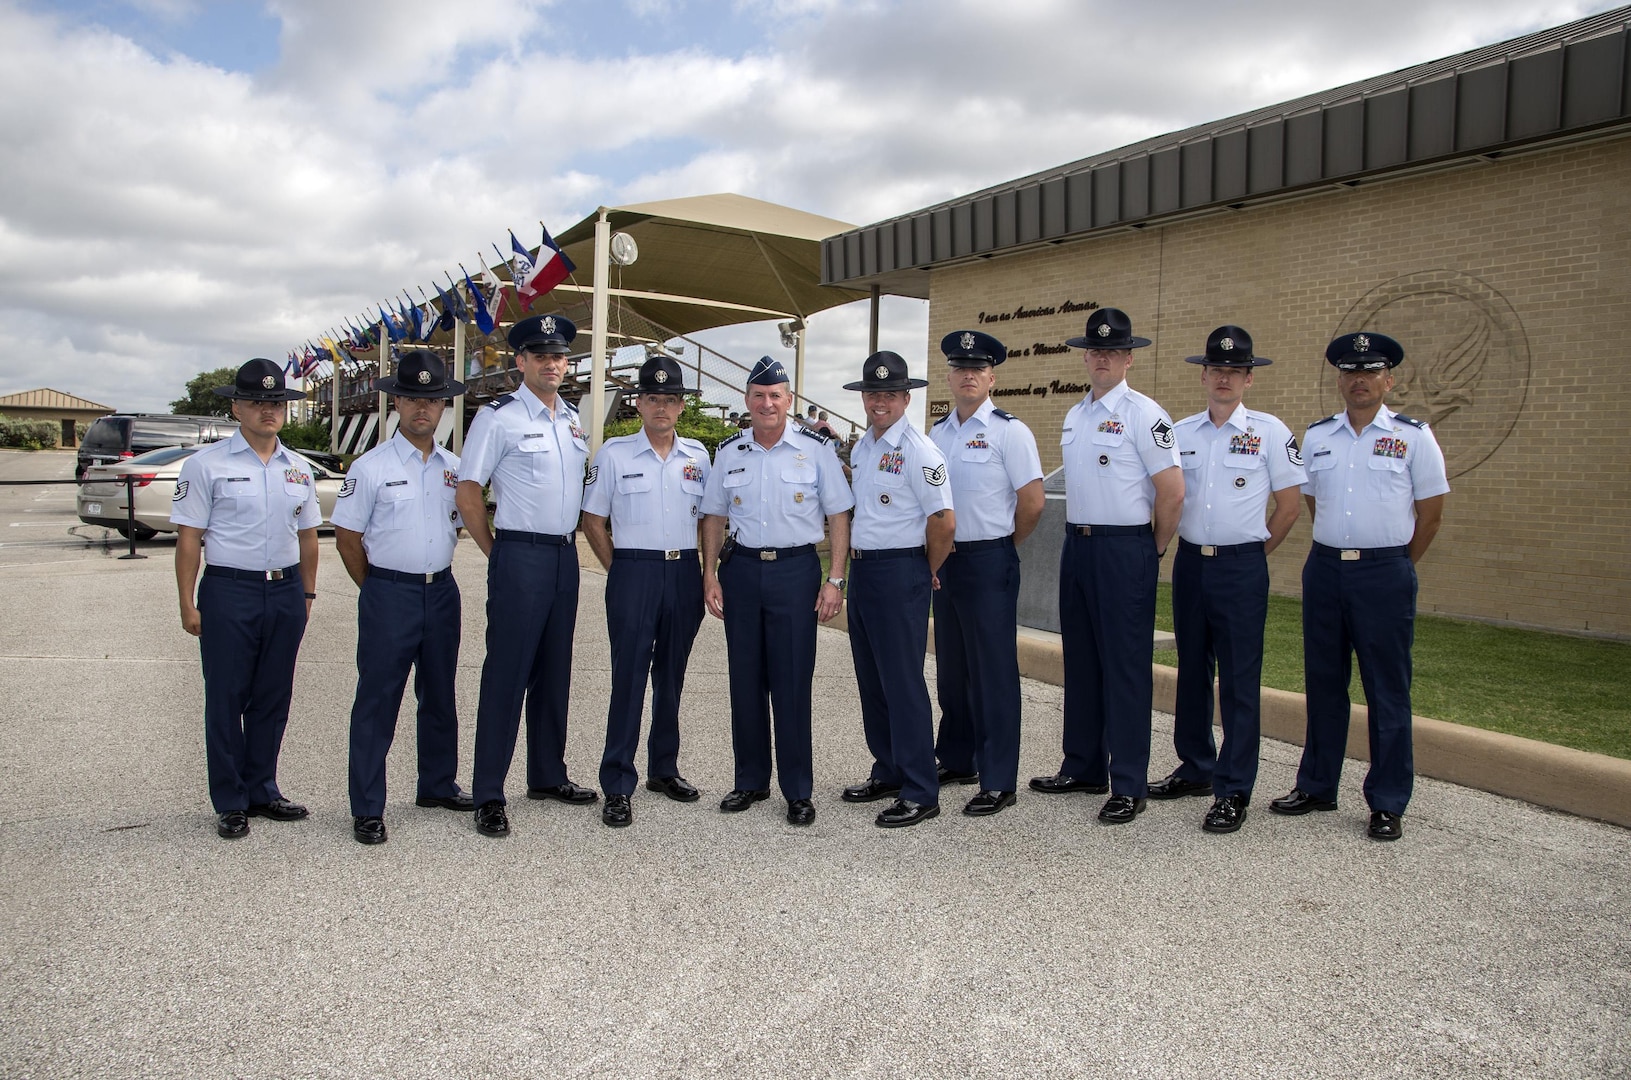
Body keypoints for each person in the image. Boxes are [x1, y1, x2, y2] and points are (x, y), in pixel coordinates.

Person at [1270, 331, 1448, 842]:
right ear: (1340, 379)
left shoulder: (1414, 437)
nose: (1359, 381)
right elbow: (1313, 504)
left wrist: (1393, 563)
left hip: (1384, 573)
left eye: (1370, 372)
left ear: (1388, 380)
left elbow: (1431, 515)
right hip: (1326, 569)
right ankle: (1317, 785)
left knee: (1386, 689)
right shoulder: (1319, 436)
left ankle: (1387, 801)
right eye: (1350, 372)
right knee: (1323, 683)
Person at [1032, 307, 1183, 824]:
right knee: (1083, 660)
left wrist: (1151, 549)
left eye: (1111, 351)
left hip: (1126, 549)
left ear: (1127, 358)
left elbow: (1172, 493)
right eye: (1094, 351)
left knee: (1124, 668)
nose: (1101, 359)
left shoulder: (1146, 415)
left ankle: (1129, 782)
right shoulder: (1076, 415)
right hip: (1079, 547)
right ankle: (1083, 765)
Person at [1154, 327, 1304, 834]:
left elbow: (1288, 507)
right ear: (1203, 375)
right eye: (1216, 370)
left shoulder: (1271, 432)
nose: (1224, 378)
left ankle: (1234, 788)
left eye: (1234, 371)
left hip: (1241, 566)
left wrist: (1254, 553)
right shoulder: (1181, 431)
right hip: (1192, 562)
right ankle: (1196, 766)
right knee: (1192, 671)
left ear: (1248, 378)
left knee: (1239, 679)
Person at [456, 313, 595, 838]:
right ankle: (489, 792)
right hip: (519, 554)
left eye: (559, 356)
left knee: (555, 670)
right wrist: (496, 552)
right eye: (541, 356)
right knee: (507, 673)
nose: (553, 364)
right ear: (521, 362)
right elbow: (469, 491)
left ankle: (546, 774)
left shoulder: (572, 418)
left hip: (563, 556)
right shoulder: (498, 417)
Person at [170, 358, 319, 840]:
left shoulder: (298, 468)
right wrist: (188, 602)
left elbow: (309, 536)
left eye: (276, 402)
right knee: (227, 696)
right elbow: (189, 538)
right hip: (229, 589)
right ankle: (231, 800)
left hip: (284, 590)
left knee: (273, 696)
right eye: (257, 401)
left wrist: (307, 594)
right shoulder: (206, 465)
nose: (268, 410)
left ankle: (262, 789)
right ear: (236, 406)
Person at [700, 356, 853, 826]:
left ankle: (798, 789)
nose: (768, 403)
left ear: (789, 401)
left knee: (790, 683)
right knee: (744, 680)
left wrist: (835, 580)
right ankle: (750, 780)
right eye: (759, 396)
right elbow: (713, 517)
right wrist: (709, 574)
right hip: (742, 572)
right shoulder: (728, 452)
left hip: (795, 572)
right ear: (747, 401)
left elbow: (839, 516)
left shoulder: (817, 450)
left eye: (776, 396)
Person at [330, 350, 471, 846]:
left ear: (444, 408)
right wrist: (376, 588)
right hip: (389, 592)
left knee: (439, 695)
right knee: (377, 700)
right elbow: (347, 537)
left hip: (442, 591)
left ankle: (436, 785)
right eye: (413, 398)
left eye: (432, 400)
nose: (422, 409)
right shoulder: (370, 467)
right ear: (396, 402)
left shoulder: (457, 468)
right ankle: (368, 805)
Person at [580, 354, 712, 828]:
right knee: (629, 678)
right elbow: (592, 519)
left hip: (682, 573)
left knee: (671, 676)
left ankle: (663, 769)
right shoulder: (614, 454)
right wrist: (620, 569)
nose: (662, 406)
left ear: (681, 406)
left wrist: (707, 572)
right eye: (653, 398)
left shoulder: (698, 456)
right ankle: (617, 782)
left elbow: (709, 521)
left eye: (671, 399)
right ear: (639, 403)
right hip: (632, 572)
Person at [927, 329, 1044, 817]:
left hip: (988, 559)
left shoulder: (1009, 431)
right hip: (944, 562)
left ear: (991, 377)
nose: (968, 375)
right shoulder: (935, 435)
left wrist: (1000, 547)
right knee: (953, 670)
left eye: (977, 369)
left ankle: (999, 778)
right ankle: (957, 758)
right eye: (960, 368)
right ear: (950, 376)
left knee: (993, 673)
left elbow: (1032, 503)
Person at [838, 351, 956, 828]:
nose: (879, 402)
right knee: (873, 680)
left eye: (889, 394)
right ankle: (887, 770)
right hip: (866, 574)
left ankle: (921, 788)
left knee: (903, 683)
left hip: (901, 571)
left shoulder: (921, 451)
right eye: (873, 393)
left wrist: (920, 569)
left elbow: (944, 521)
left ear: (906, 398)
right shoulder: (864, 446)